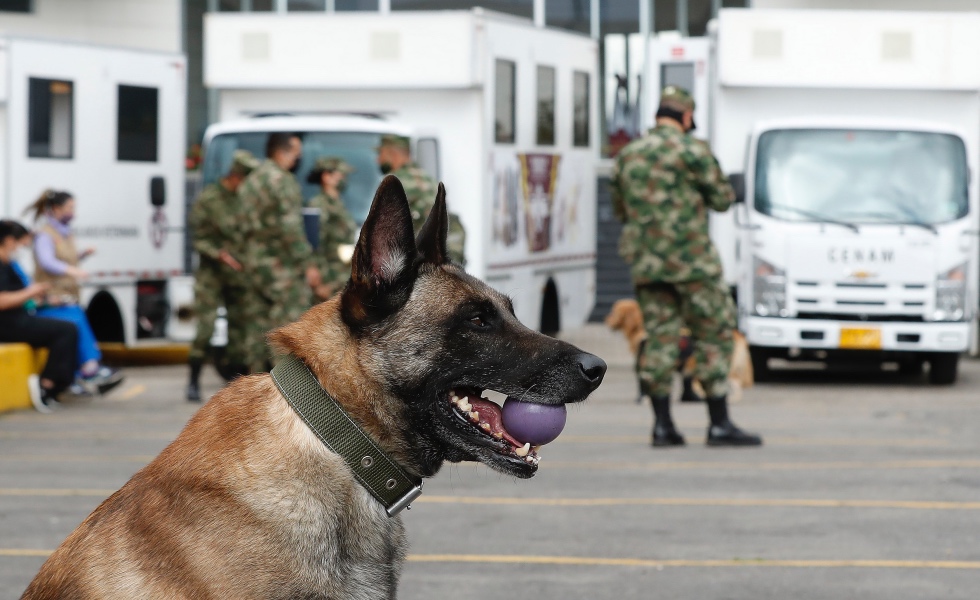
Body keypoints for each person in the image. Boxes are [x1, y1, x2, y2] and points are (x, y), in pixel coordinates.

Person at [611, 86, 762, 448]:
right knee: (714, 335)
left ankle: (663, 426)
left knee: (660, 339)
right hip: (693, 263)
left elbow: (620, 209)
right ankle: (719, 424)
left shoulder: (628, 155)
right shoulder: (693, 150)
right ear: (687, 117)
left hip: (648, 263)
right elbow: (723, 199)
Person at [23, 190, 123, 395]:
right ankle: (89, 368)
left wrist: (81, 256)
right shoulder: (45, 234)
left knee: (76, 316)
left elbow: (65, 258)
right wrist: (72, 270)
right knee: (74, 320)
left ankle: (85, 370)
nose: (72, 212)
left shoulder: (64, 233)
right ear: (56, 209)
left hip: (67, 297)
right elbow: (47, 261)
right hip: (48, 300)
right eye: (69, 208)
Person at [237, 132, 318, 372]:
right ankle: (283, 386)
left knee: (255, 327)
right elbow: (290, 228)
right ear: (281, 152)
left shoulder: (250, 182)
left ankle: (252, 383)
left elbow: (241, 226)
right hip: (281, 267)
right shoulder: (282, 181)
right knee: (285, 325)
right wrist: (308, 263)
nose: (298, 158)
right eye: (296, 153)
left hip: (253, 265)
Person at [186, 149, 259, 401]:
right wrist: (219, 254)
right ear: (237, 176)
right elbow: (199, 239)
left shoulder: (245, 200)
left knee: (240, 328)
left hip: (238, 273)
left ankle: (235, 382)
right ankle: (193, 381)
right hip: (212, 273)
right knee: (206, 327)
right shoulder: (210, 199)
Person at [0, 220, 78, 413]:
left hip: (17, 317)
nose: (21, 249)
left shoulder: (8, 265)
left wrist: (42, 299)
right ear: (9, 241)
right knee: (65, 331)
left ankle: (58, 383)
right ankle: (47, 384)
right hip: (7, 323)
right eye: (21, 244)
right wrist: (32, 291)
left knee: (68, 324)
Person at [376, 134, 467, 265]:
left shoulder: (396, 183)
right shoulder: (426, 178)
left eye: (381, 154)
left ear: (393, 154)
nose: (378, 160)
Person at [306, 156, 357, 302]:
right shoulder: (319, 204)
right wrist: (320, 283)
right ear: (326, 177)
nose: (344, 179)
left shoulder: (338, 203)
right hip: (328, 277)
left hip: (341, 275)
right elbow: (314, 244)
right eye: (340, 175)